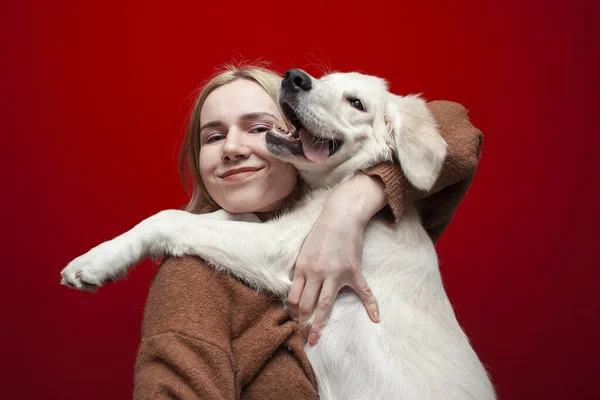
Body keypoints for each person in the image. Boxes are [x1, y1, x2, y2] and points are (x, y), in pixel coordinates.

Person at [134, 63, 483, 399]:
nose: (233, 149)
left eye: (258, 128)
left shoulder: (383, 222)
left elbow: (458, 134)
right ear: (197, 157)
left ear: (300, 131)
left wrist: (355, 201)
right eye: (214, 136)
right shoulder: (191, 277)